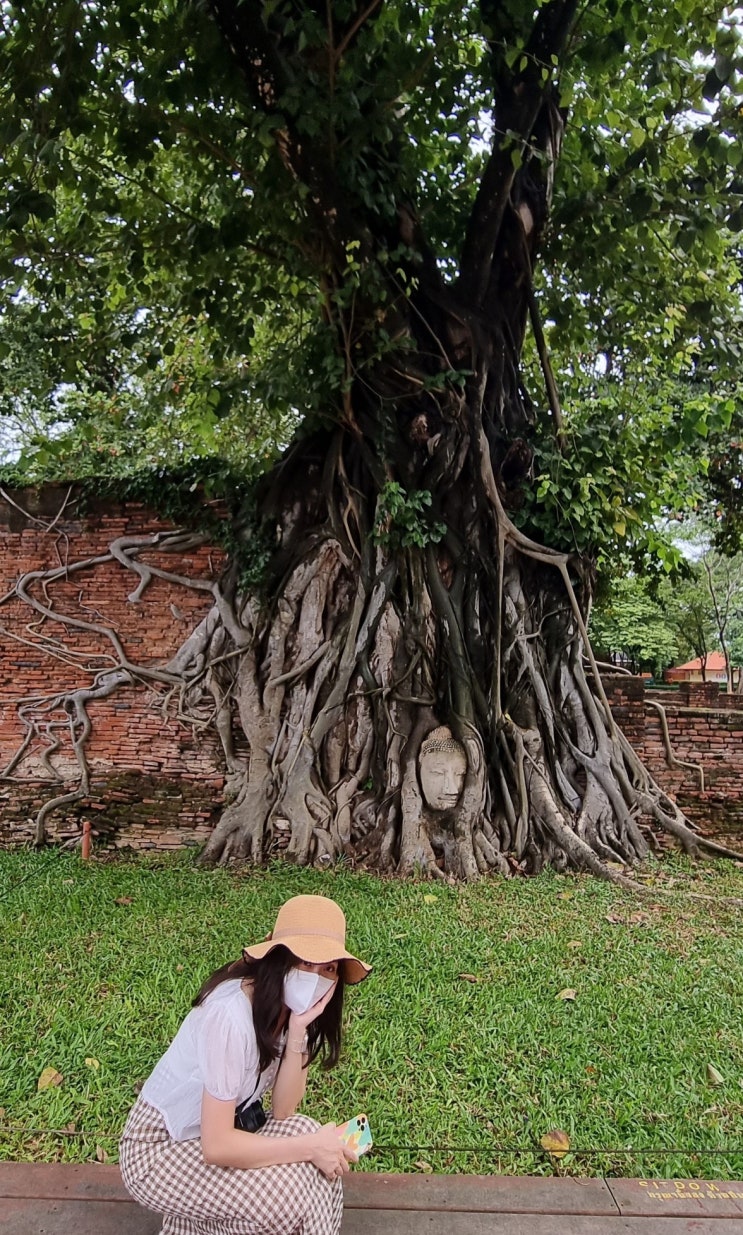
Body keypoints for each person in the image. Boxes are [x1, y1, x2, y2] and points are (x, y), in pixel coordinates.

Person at [120, 894, 372, 1235]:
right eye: (305, 962)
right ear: (277, 958)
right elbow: (217, 1146)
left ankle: (190, 1224)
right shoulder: (230, 1014)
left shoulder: (291, 1012)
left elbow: (284, 1110)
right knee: (290, 1193)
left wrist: (298, 1030)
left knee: (306, 1135)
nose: (315, 977)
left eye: (327, 968)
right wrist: (311, 1148)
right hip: (161, 1148)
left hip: (224, 1131)